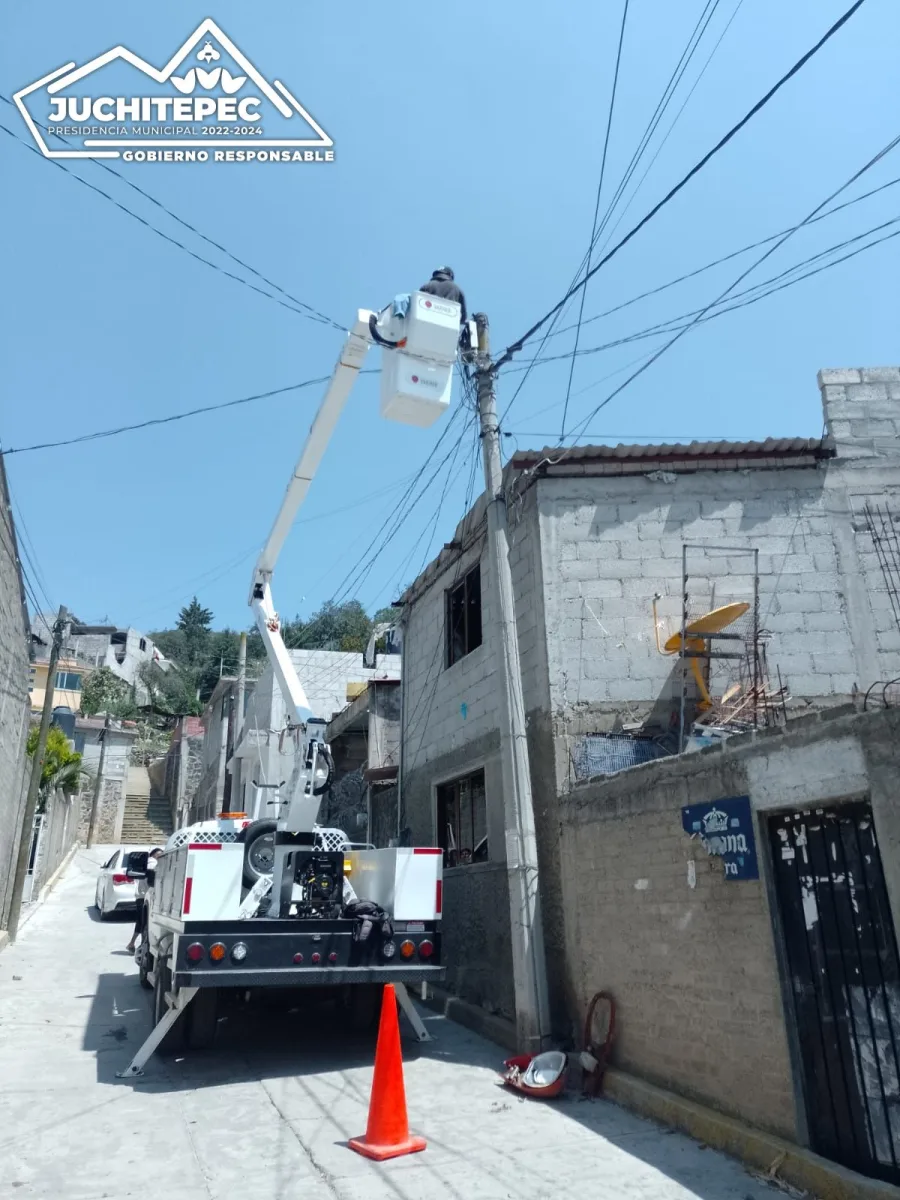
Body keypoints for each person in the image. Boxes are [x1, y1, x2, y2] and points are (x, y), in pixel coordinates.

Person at [126, 847, 162, 953]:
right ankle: (140, 945)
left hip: (142, 897)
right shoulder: (152, 863)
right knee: (144, 922)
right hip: (144, 897)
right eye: (159, 854)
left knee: (142, 921)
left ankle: (134, 944)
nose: (161, 856)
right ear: (154, 855)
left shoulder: (148, 863)